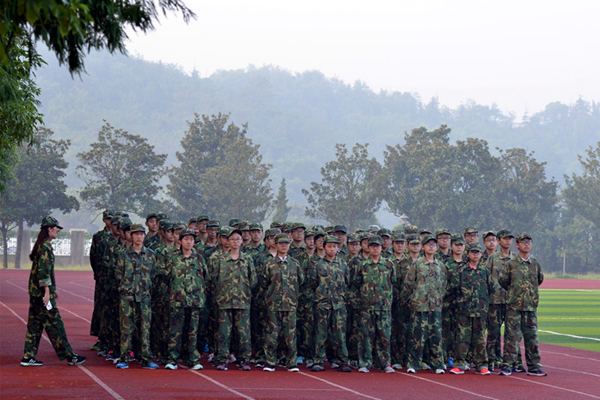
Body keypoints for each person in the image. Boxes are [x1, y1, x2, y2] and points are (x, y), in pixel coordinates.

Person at [21, 216, 87, 367]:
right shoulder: (45, 247)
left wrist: (51, 289)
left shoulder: (42, 245)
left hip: (35, 292)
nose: (57, 230)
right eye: (55, 228)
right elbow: (43, 272)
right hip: (41, 294)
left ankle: (28, 356)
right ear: (48, 229)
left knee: (35, 324)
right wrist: (47, 292)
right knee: (55, 324)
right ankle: (70, 356)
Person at [498, 233, 547, 377]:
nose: (527, 244)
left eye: (529, 242)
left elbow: (539, 279)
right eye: (523, 242)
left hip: (530, 307)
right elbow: (503, 281)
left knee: (532, 338)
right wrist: (515, 294)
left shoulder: (535, 264)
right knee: (511, 337)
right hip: (514, 307)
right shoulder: (511, 264)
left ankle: (534, 366)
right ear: (517, 245)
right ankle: (507, 365)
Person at [211, 228, 257, 371]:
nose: (235, 242)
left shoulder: (247, 259)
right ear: (227, 242)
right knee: (224, 332)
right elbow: (213, 279)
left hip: (242, 301)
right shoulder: (220, 260)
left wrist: (246, 293)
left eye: (238, 239)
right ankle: (222, 359)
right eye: (232, 239)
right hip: (224, 301)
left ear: (242, 241)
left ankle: (243, 360)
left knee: (243, 333)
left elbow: (253, 280)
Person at [114, 224, 159, 370]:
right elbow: (118, 274)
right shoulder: (123, 254)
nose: (139, 237)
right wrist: (126, 288)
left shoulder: (150, 254)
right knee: (126, 329)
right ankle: (124, 358)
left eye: (141, 234)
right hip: (127, 297)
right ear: (131, 236)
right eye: (136, 234)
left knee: (145, 328)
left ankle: (146, 358)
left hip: (144, 297)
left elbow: (153, 274)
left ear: (144, 236)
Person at [164, 228, 209, 370]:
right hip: (178, 300)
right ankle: (173, 359)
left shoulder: (199, 259)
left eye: (191, 239)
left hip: (195, 301)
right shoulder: (174, 258)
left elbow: (206, 278)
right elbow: (166, 277)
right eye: (186, 239)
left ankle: (193, 359)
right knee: (175, 331)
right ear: (180, 241)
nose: (189, 242)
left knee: (193, 331)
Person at [308, 235, 352, 372]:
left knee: (339, 334)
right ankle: (318, 361)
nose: (332, 249)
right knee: (321, 333)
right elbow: (312, 284)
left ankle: (343, 361)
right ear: (324, 247)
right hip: (323, 304)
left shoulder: (343, 264)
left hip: (339, 304)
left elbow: (348, 283)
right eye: (329, 246)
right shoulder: (318, 265)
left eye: (334, 246)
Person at [448, 243, 493, 375]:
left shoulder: (485, 271)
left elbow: (491, 289)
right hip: (464, 311)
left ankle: (481, 364)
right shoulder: (461, 271)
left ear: (481, 254)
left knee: (479, 339)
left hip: (480, 310)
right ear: (467, 254)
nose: (475, 255)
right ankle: (460, 363)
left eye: (477, 252)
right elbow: (453, 290)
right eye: (472, 252)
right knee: (462, 338)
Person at [404, 235, 446, 374]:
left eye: (433, 245)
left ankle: (438, 364)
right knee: (417, 336)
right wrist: (414, 299)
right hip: (419, 306)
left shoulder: (440, 265)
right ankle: (413, 363)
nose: (431, 247)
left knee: (436, 337)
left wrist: (438, 298)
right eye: (428, 244)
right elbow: (408, 284)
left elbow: (443, 284)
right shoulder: (417, 264)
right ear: (423, 247)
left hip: (435, 306)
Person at [353, 235, 396, 373]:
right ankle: (365, 363)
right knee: (365, 335)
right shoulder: (362, 265)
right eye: (372, 246)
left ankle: (385, 363)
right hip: (367, 307)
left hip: (384, 307)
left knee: (384, 336)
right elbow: (356, 284)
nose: (375, 248)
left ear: (381, 248)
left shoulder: (389, 264)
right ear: (368, 248)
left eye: (377, 246)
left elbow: (394, 283)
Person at [261, 234, 303, 372]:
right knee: (272, 334)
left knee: (290, 335)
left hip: (290, 304)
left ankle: (291, 363)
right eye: (281, 243)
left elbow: (301, 282)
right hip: (274, 303)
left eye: (286, 243)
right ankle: (270, 362)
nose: (284, 246)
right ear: (276, 245)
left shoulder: (295, 264)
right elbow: (263, 283)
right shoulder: (269, 264)